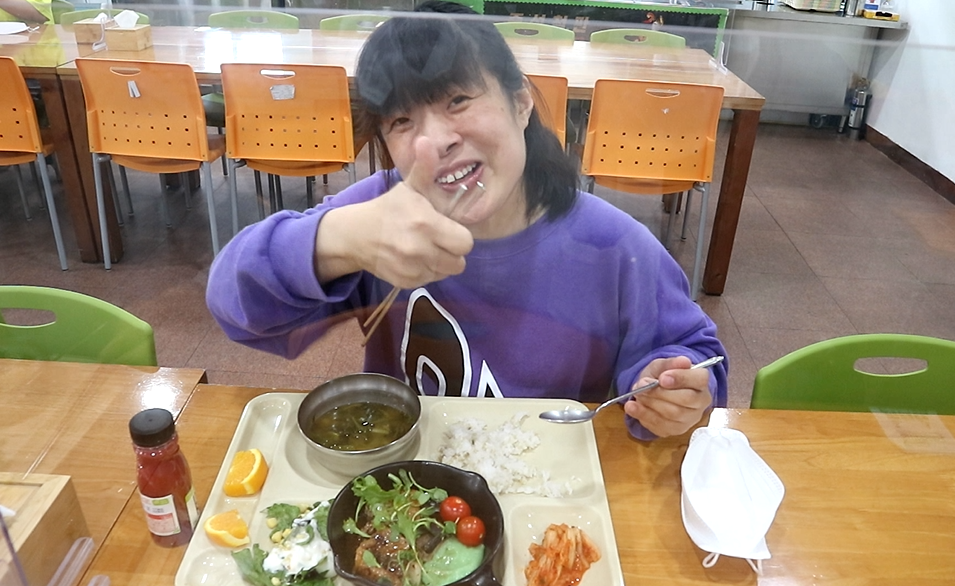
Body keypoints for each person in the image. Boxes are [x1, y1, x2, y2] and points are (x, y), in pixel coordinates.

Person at [206, 0, 729, 440]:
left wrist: (670, 388)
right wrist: (337, 239)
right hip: (412, 485)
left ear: (520, 103)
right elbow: (234, 306)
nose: (435, 141)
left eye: (458, 100)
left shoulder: (613, 245)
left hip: (554, 485)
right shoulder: (382, 218)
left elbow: (698, 357)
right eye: (402, 121)